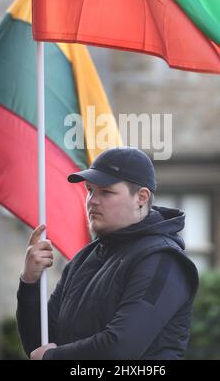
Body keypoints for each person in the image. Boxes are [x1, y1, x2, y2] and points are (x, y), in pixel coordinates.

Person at [16, 147, 199, 360]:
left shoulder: (163, 259)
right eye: (90, 190)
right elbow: (38, 346)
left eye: (106, 192)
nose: (92, 200)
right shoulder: (83, 259)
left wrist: (53, 358)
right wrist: (29, 282)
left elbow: (122, 348)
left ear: (141, 197)